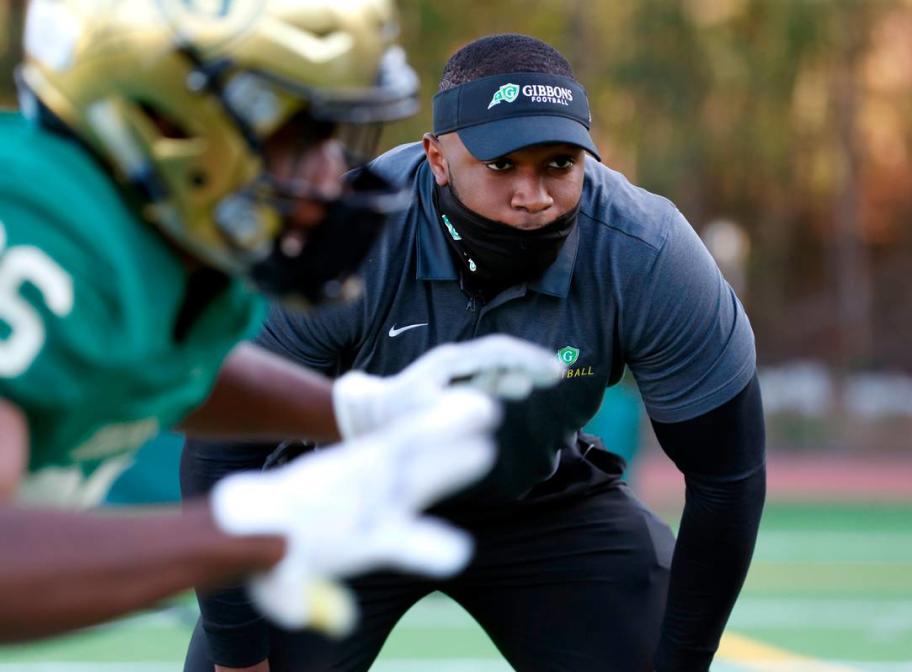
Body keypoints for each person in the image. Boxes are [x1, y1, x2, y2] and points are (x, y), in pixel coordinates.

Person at [183, 33, 766, 672]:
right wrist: (240, 659)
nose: (532, 195)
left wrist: (681, 664)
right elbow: (222, 447)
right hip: (346, 491)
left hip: (539, 497)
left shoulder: (647, 254)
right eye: (501, 165)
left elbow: (727, 479)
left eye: (557, 164)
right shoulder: (345, 234)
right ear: (437, 157)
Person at [0, 3, 564, 642]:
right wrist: (250, 528)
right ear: (161, 117)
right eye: (301, 133)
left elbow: (152, 362)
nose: (330, 173)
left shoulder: (157, 243)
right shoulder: (34, 221)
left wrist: (360, 410)